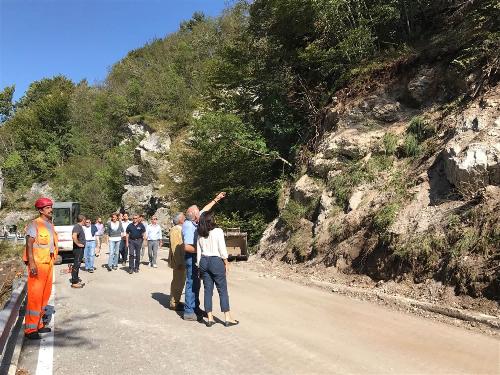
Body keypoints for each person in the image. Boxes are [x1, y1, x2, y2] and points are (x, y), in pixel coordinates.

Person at [182, 192, 226, 321]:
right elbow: (187, 247)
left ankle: (195, 307)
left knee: (197, 284)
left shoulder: (195, 218)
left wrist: (216, 199)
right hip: (191, 257)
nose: (201, 213)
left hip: (198, 257)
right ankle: (189, 311)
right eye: (198, 212)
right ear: (195, 215)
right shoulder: (189, 226)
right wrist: (203, 249)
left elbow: (205, 209)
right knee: (191, 283)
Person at [23, 198, 59, 340]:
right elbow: (29, 243)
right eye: (47, 208)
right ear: (40, 210)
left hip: (48, 264)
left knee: (45, 295)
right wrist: (31, 263)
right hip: (37, 265)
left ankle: (39, 325)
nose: (50, 210)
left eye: (51, 207)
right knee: (35, 297)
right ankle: (30, 330)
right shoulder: (35, 224)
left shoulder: (50, 224)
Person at [197, 211, 238, 327]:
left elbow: (199, 252)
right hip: (216, 261)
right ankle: (227, 318)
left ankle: (209, 318)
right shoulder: (218, 231)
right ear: (211, 220)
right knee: (222, 290)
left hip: (204, 261)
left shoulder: (200, 233)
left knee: (207, 291)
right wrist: (226, 262)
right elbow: (222, 249)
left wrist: (199, 266)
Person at [168, 212, 185, 310]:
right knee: (178, 281)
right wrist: (179, 262)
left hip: (181, 260)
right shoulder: (175, 230)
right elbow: (175, 247)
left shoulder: (180, 229)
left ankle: (176, 300)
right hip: (179, 261)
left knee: (180, 281)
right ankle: (174, 302)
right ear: (180, 220)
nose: (185, 218)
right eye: (184, 217)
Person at [71, 214, 86, 289]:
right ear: (83, 220)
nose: (85, 221)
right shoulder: (77, 226)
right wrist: (78, 244)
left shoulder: (79, 227)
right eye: (85, 220)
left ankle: (76, 279)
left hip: (80, 249)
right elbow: (74, 236)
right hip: (78, 249)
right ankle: (74, 282)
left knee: (78, 264)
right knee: (76, 264)